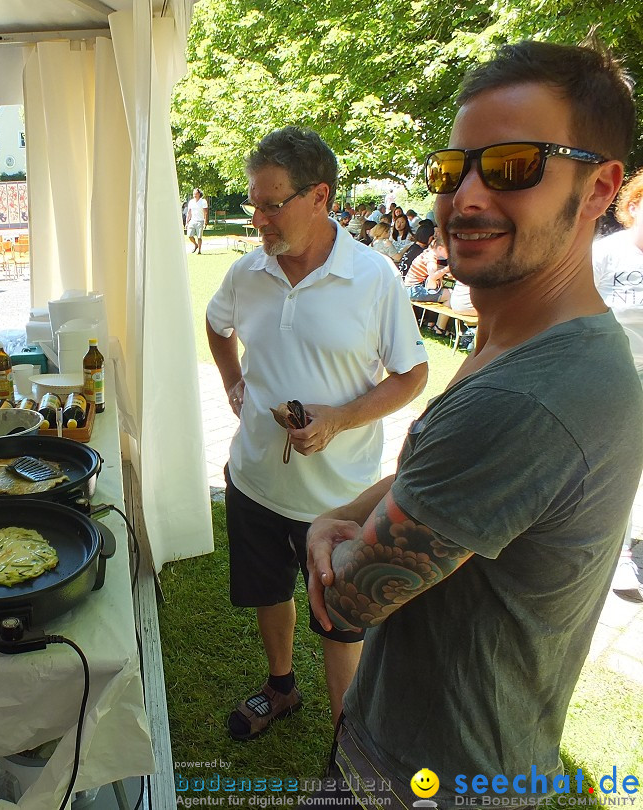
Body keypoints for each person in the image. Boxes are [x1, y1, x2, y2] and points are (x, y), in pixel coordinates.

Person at [305, 38, 641, 807]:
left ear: (600, 188)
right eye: (453, 170)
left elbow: (347, 603)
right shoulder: (518, 339)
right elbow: (433, 479)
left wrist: (325, 538)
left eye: (515, 164)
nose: (468, 197)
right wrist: (341, 515)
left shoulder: (531, 395)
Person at [206, 127, 428, 740]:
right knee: (266, 591)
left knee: (339, 621)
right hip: (253, 479)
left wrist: (339, 419)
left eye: (272, 204)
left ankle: (345, 742)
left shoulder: (373, 277)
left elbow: (412, 374)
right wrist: (232, 384)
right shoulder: (247, 271)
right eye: (254, 203)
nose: (259, 219)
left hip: (337, 498)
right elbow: (216, 325)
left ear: (320, 197)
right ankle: (280, 686)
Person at [593, 166, 643, 602]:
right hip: (608, 374)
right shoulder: (607, 253)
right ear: (632, 205)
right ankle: (620, 553)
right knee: (616, 465)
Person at [402, 228, 452, 303]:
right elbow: (433, 276)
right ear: (440, 248)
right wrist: (446, 269)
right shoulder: (431, 258)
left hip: (410, 289)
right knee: (450, 295)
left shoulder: (428, 252)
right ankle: (440, 315)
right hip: (414, 290)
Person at [186, 188, 208, 254]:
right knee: (189, 235)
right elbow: (189, 212)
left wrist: (205, 221)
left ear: (199, 194)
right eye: (193, 194)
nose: (194, 195)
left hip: (200, 221)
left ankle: (199, 250)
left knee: (199, 237)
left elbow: (205, 212)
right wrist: (187, 222)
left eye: (195, 194)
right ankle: (196, 245)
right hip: (192, 221)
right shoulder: (191, 202)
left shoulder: (203, 201)